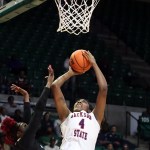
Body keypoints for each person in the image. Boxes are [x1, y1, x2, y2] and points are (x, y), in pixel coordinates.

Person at [51, 51, 108, 150]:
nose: (79, 102)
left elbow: (103, 89)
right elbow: (55, 86)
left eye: (84, 101)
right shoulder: (67, 116)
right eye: (78, 101)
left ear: (89, 109)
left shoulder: (95, 118)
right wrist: (70, 73)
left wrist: (94, 63)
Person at [1, 65, 54, 150]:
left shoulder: (22, 141)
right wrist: (48, 84)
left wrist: (26, 96)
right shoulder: (25, 140)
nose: (25, 124)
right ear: (18, 133)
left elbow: (27, 118)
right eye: (23, 125)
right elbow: (38, 111)